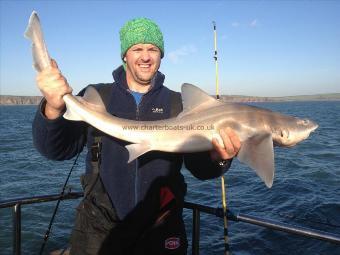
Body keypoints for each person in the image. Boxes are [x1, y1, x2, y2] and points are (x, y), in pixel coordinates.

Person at [32, 18, 241, 255]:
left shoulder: (179, 105)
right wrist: (52, 108)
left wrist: (220, 158)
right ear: (124, 55)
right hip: (99, 228)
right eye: (137, 49)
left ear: (161, 55)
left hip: (162, 228)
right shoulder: (96, 97)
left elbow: (201, 169)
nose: (145, 56)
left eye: (153, 49)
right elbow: (56, 150)